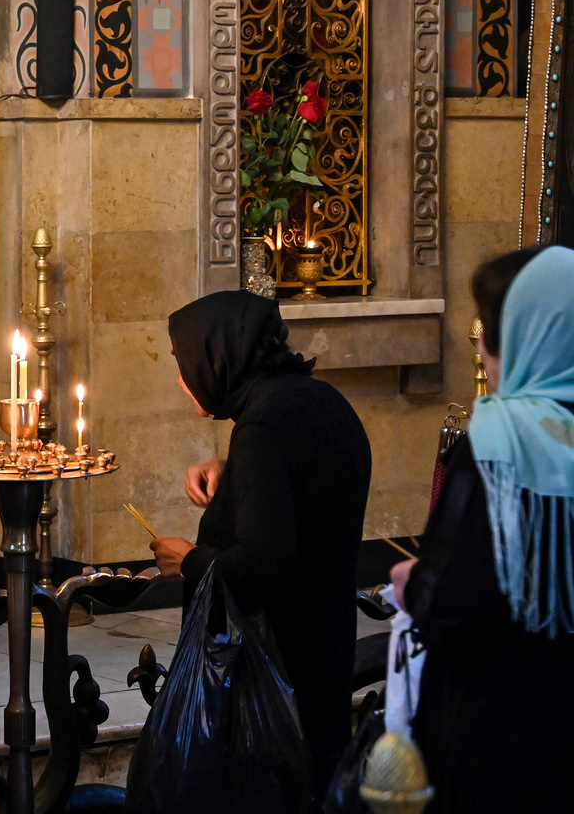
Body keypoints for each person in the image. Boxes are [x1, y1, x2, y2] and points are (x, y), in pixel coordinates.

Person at [149, 290, 372, 809]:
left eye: (186, 365)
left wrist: (188, 560)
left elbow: (264, 561)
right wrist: (236, 482)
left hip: (274, 669)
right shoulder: (318, 400)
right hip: (325, 647)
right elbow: (308, 495)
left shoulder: (262, 428)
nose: (183, 381)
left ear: (220, 357)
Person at [390, 246, 574, 812]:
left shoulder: (498, 445)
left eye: (492, 330)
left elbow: (461, 606)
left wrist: (413, 581)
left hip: (505, 730)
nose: (483, 352)